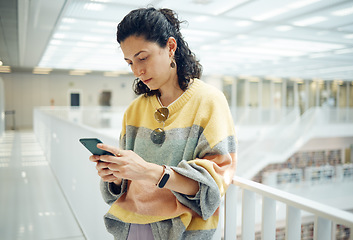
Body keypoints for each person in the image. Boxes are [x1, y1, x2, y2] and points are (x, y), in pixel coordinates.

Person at [89, 7, 237, 240]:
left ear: (170, 47)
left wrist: (149, 171)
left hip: (182, 232)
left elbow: (215, 183)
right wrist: (116, 176)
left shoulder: (209, 101)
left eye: (143, 57)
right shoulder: (134, 110)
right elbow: (125, 187)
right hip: (131, 229)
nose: (137, 70)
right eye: (129, 63)